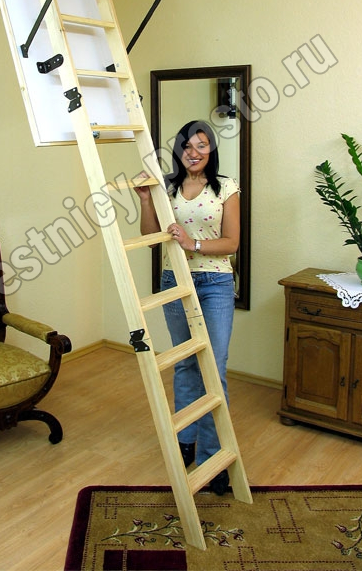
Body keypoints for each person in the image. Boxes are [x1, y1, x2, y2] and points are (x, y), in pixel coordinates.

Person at [135, 120, 240, 496]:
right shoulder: (168, 187)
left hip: (215, 284)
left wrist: (191, 243)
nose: (194, 153)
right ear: (179, 150)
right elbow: (151, 239)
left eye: (202, 146)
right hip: (175, 280)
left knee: (214, 366)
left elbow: (231, 244)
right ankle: (186, 442)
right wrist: (145, 200)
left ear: (211, 150)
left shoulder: (225, 187)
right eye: (187, 146)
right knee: (184, 363)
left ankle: (214, 454)